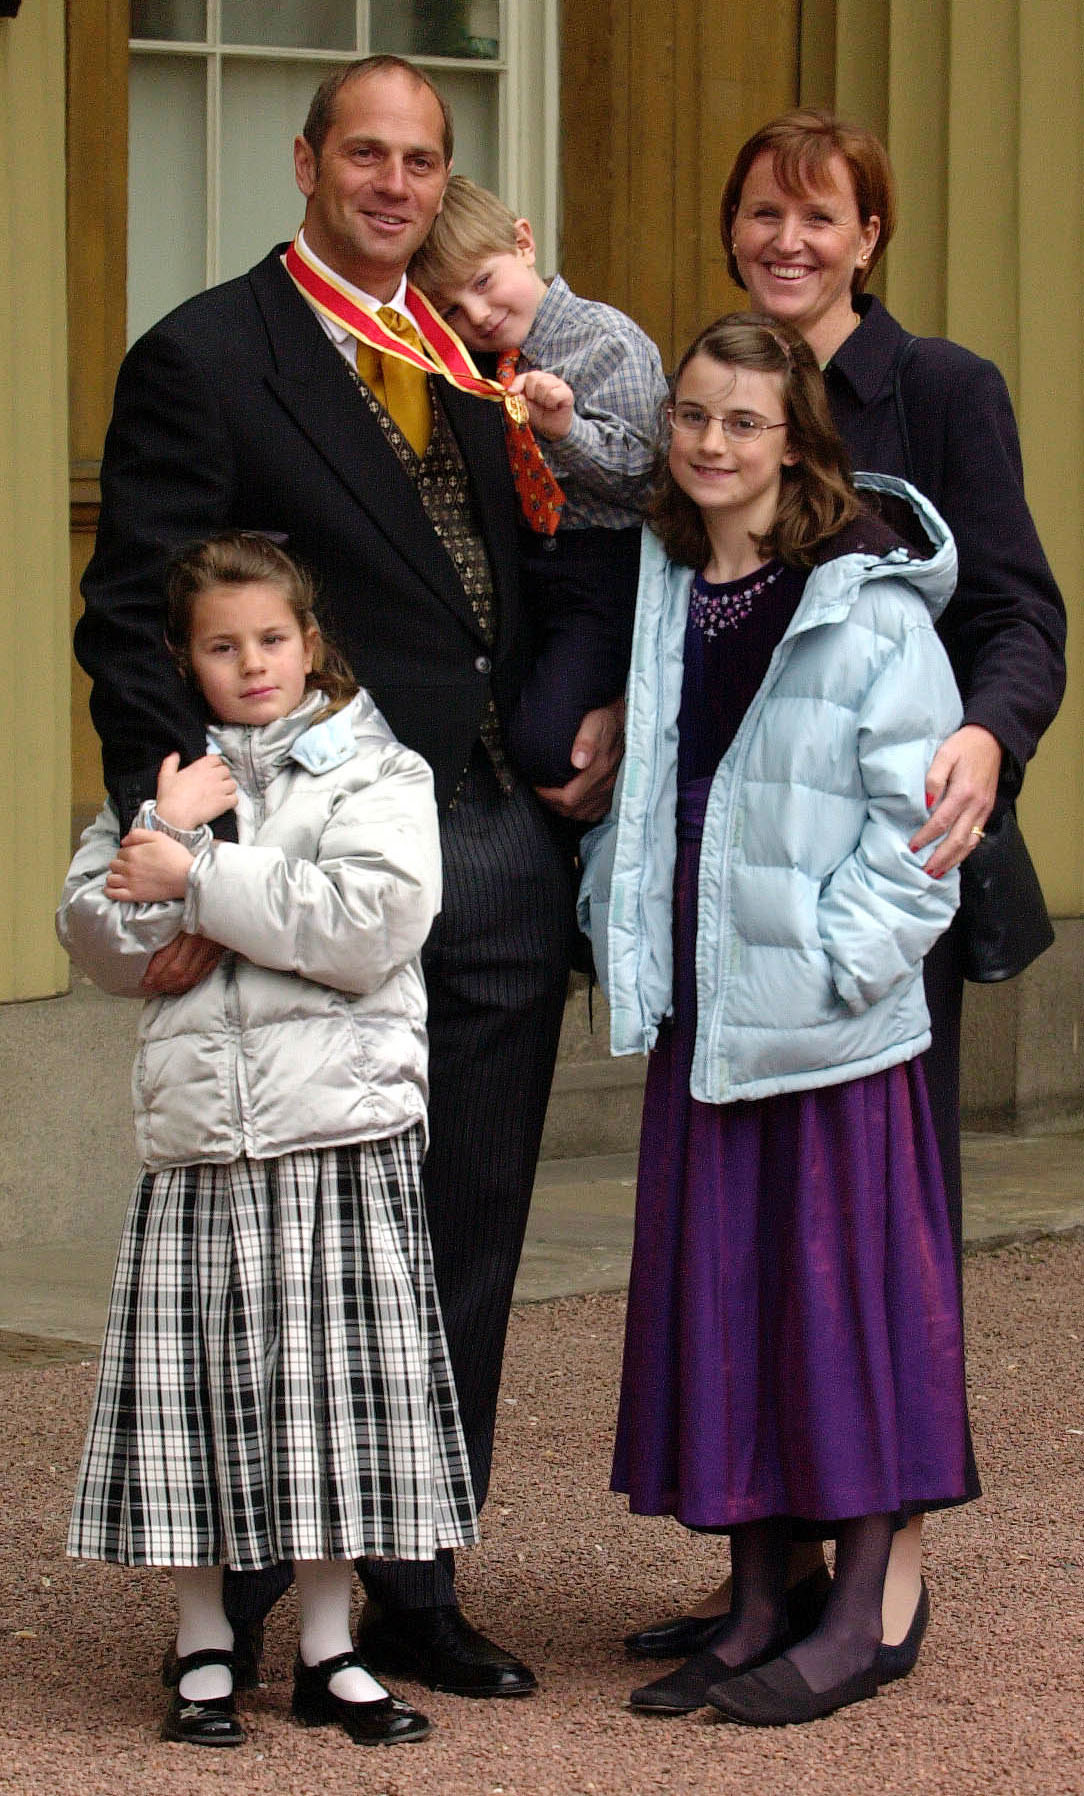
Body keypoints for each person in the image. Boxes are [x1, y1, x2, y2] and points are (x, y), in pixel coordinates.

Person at [72, 55, 623, 1700]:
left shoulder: (463, 351)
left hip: (494, 844)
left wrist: (577, 711)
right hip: (305, 867)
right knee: (281, 1246)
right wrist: (189, 878)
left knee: (459, 1233)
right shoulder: (206, 356)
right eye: (363, 154)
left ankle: (412, 1573)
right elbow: (133, 632)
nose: (392, 182)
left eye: (421, 159)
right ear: (305, 163)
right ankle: (242, 1585)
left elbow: (531, 563)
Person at [625, 107, 1066, 1676]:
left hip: (887, 876)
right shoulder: (711, 401)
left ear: (870, 235)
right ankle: (777, 1566)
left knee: (871, 1231)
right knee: (758, 1233)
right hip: (727, 904)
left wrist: (982, 735)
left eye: (821, 216)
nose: (788, 239)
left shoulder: (938, 392)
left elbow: (1016, 611)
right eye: (762, 213)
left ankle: (885, 1580)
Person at [579, 314, 972, 1726]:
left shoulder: (865, 604)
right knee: (731, 1302)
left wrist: (835, 963)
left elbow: (920, 830)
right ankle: (757, 1604)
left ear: (796, 442)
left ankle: (858, 1616)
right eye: (691, 414)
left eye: (744, 421)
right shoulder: (664, 586)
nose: (710, 442)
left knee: (841, 1315)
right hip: (707, 1010)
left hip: (828, 1026)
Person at [60, 532, 471, 1749]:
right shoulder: (163, 781)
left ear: (311, 640)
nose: (252, 664)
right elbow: (94, 933)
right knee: (197, 1402)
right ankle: (202, 1644)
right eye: (222, 645)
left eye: (272, 640)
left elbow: (367, 922)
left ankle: (331, 1649)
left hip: (334, 1127)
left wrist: (200, 878)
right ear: (188, 658)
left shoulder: (375, 770)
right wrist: (174, 847)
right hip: (200, 1137)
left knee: (328, 1405)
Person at [409, 175, 667, 785]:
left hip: (605, 571)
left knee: (547, 744)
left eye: (483, 282)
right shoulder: (470, 364)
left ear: (524, 242)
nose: (478, 314)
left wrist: (567, 430)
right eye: (449, 309)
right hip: (525, 570)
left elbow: (650, 478)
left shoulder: (605, 341)